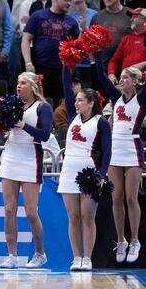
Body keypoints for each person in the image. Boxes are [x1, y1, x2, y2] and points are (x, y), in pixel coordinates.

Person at [94, 40, 146, 264]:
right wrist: (98, 50)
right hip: (115, 151)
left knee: (131, 197)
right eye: (121, 77)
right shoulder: (116, 98)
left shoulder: (142, 98)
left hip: (133, 149)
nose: (122, 80)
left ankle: (135, 239)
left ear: (136, 82)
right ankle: (121, 240)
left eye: (127, 77)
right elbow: (101, 76)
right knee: (115, 198)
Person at [0, 72, 53, 269]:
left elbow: (44, 135)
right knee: (9, 210)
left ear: (33, 86)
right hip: (10, 156)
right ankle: (12, 255)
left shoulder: (42, 107)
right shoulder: (10, 104)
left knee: (30, 212)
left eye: (23, 83)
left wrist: (21, 124)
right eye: (17, 82)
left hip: (30, 158)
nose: (19, 86)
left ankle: (40, 253)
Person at [58, 66, 111, 271]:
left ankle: (87, 258)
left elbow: (107, 152)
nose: (76, 102)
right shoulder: (73, 116)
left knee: (88, 217)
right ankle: (76, 257)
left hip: (89, 172)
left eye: (80, 100)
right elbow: (65, 86)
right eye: (76, 99)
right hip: (69, 170)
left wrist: (102, 175)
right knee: (73, 217)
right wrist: (66, 64)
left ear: (91, 103)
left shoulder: (101, 122)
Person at [22, 0, 80, 107]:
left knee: (59, 104)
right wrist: (28, 63)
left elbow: (75, 52)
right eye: (66, 0)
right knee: (38, 103)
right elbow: (26, 39)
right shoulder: (38, 16)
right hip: (40, 67)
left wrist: (75, 78)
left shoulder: (72, 22)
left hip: (62, 70)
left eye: (70, 1)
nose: (69, 3)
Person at [90, 0, 131, 65]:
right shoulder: (97, 17)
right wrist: (93, 63)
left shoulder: (131, 14)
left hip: (126, 65)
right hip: (103, 65)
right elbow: (90, 43)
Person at [107, 7, 146, 84]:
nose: (131, 19)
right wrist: (111, 74)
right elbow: (115, 60)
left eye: (135, 17)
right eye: (131, 17)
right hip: (127, 82)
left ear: (145, 20)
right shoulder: (126, 39)